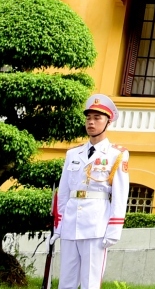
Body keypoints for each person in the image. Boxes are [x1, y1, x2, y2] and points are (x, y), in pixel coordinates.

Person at [55, 94, 129, 289]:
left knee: (90, 282)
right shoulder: (73, 154)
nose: (91, 122)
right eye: (89, 118)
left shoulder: (116, 154)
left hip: (96, 225)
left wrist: (114, 229)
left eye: (97, 118)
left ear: (108, 122)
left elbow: (120, 195)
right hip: (71, 223)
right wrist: (59, 224)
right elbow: (64, 192)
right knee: (66, 282)